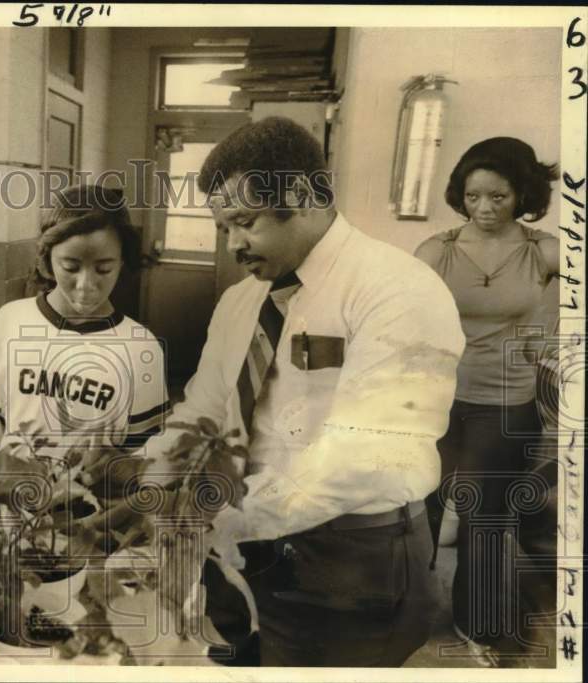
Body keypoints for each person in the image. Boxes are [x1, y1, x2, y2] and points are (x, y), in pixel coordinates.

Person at [137, 117, 466, 667]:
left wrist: (219, 517)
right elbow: (204, 410)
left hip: (350, 560)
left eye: (245, 222)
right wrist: (150, 477)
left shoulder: (398, 291)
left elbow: (366, 458)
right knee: (238, 660)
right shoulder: (243, 301)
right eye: (224, 229)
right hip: (243, 548)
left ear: (303, 195)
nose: (233, 244)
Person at [414, 137, 559, 666]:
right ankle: (404, 612)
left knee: (483, 515)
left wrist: (548, 338)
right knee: (417, 502)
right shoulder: (436, 250)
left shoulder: (545, 249)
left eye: (498, 196)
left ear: (522, 193)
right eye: (474, 196)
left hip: (506, 399)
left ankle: (479, 626)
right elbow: (406, 323)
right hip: (436, 397)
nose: (485, 208)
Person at [0, 184, 170, 463]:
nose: (86, 285)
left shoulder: (141, 346)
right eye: (70, 267)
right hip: (7, 497)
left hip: (93, 503)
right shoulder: (10, 320)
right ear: (46, 261)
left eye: (104, 269)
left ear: (122, 263)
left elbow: (141, 460)